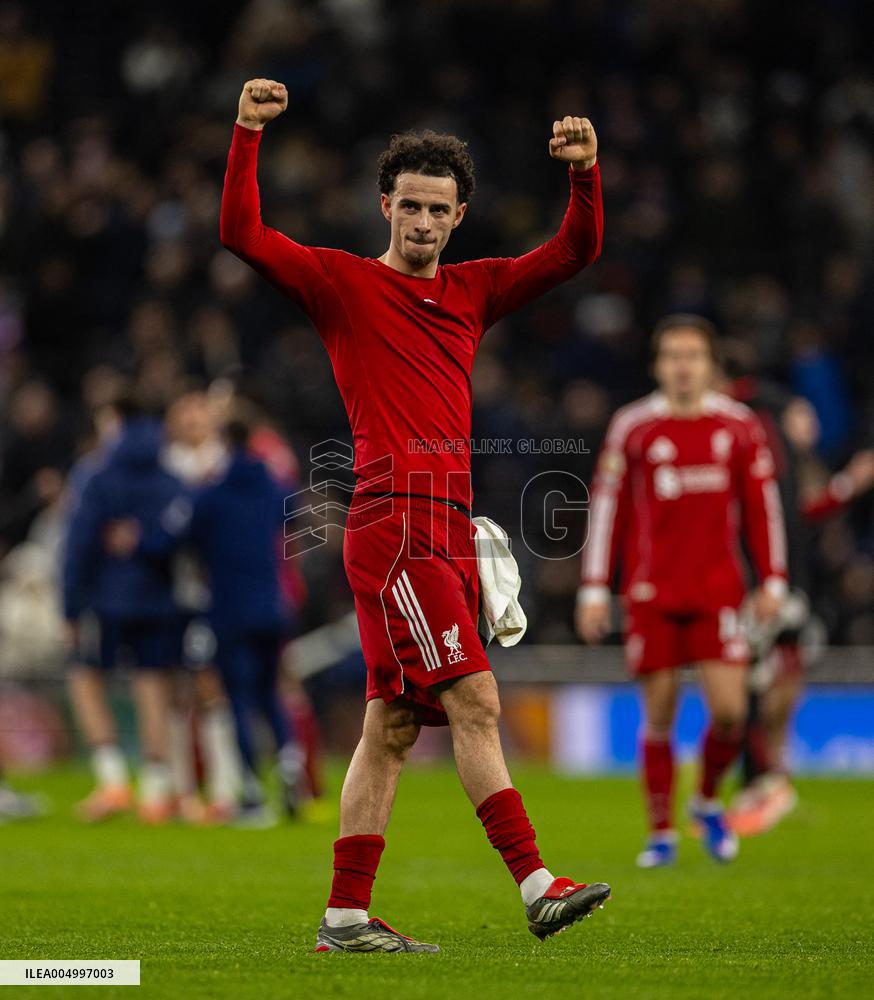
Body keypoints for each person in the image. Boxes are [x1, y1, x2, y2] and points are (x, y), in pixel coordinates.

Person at [220, 78, 609, 952]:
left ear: (460, 213)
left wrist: (585, 175)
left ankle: (346, 917)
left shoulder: (475, 290)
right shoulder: (342, 283)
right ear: (383, 205)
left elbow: (573, 253)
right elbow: (241, 234)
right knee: (475, 697)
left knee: (390, 728)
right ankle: (538, 883)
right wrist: (247, 131)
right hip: (393, 526)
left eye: (439, 209)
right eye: (409, 207)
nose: (423, 223)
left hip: (446, 529)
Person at [576, 315, 787, 868]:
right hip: (652, 594)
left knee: (730, 715)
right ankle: (661, 833)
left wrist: (773, 578)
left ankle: (707, 800)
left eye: (692, 355)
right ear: (657, 364)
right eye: (672, 355)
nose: (683, 365)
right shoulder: (633, 427)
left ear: (710, 363)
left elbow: (763, 509)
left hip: (719, 592)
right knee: (661, 711)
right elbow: (607, 509)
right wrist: (595, 589)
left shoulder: (739, 427)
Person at [110, 411, 305, 825]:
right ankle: (291, 768)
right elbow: (294, 515)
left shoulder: (209, 496)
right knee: (270, 693)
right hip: (273, 607)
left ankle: (251, 795)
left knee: (237, 699)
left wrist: (136, 542)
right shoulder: (273, 488)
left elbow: (168, 540)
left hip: (230, 612)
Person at [62, 394, 186, 823]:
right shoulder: (171, 478)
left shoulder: (97, 476)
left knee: (84, 677)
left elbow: (78, 545)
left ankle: (113, 780)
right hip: (158, 598)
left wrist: (70, 607)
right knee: (152, 684)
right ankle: (155, 792)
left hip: (106, 599)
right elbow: (180, 536)